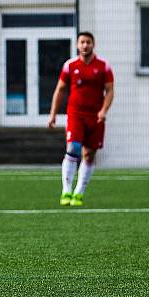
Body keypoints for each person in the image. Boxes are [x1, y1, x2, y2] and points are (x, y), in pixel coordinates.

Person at [48, 31, 114, 207]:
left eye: (88, 42)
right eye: (82, 42)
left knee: (89, 154)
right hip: (76, 114)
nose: (85, 45)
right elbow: (60, 90)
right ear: (77, 45)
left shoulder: (103, 66)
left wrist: (103, 110)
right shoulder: (70, 66)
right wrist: (53, 113)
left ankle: (79, 192)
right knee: (73, 147)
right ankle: (66, 190)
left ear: (93, 44)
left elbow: (110, 90)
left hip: (95, 117)